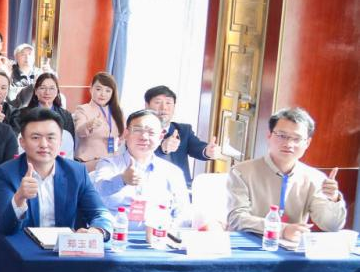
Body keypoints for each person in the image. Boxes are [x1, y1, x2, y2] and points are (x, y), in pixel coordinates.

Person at [0, 107, 114, 241]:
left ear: (60, 142)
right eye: (35, 137)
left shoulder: (76, 172)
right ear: (22, 142)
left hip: (63, 249)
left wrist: (96, 231)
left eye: (50, 137)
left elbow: (100, 213)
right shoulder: (5, 173)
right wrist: (19, 198)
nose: (43, 144)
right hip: (19, 249)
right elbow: (6, 229)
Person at [226, 107, 347, 241]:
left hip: (292, 248)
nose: (288, 144)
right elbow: (236, 218)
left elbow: (331, 226)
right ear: (269, 136)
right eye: (282, 136)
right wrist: (281, 229)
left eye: (297, 138)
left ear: (307, 143)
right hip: (248, 245)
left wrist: (333, 200)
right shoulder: (241, 172)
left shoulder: (316, 178)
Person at [92, 109, 192, 229]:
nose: (144, 137)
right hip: (114, 236)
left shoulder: (173, 172)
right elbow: (97, 191)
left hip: (158, 237)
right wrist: (122, 179)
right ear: (126, 133)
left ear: (160, 136)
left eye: (151, 132)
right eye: (138, 130)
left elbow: (183, 215)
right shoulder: (108, 164)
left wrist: (167, 231)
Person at [145, 85, 223, 186]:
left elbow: (196, 147)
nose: (164, 107)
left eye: (168, 103)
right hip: (150, 187)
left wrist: (207, 151)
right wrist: (162, 148)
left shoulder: (183, 130)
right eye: (158, 102)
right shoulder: (138, 131)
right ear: (147, 106)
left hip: (180, 189)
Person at [72, 72, 126, 170]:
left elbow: (123, 135)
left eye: (108, 90)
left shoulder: (118, 112)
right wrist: (89, 125)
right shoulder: (83, 109)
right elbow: (79, 132)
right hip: (88, 162)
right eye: (98, 89)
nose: (103, 94)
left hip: (110, 162)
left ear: (112, 93)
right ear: (91, 89)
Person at [19, 72, 75, 140]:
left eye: (51, 88)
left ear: (57, 92)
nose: (47, 92)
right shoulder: (22, 114)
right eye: (42, 88)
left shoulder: (66, 116)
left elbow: (69, 141)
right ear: (36, 91)